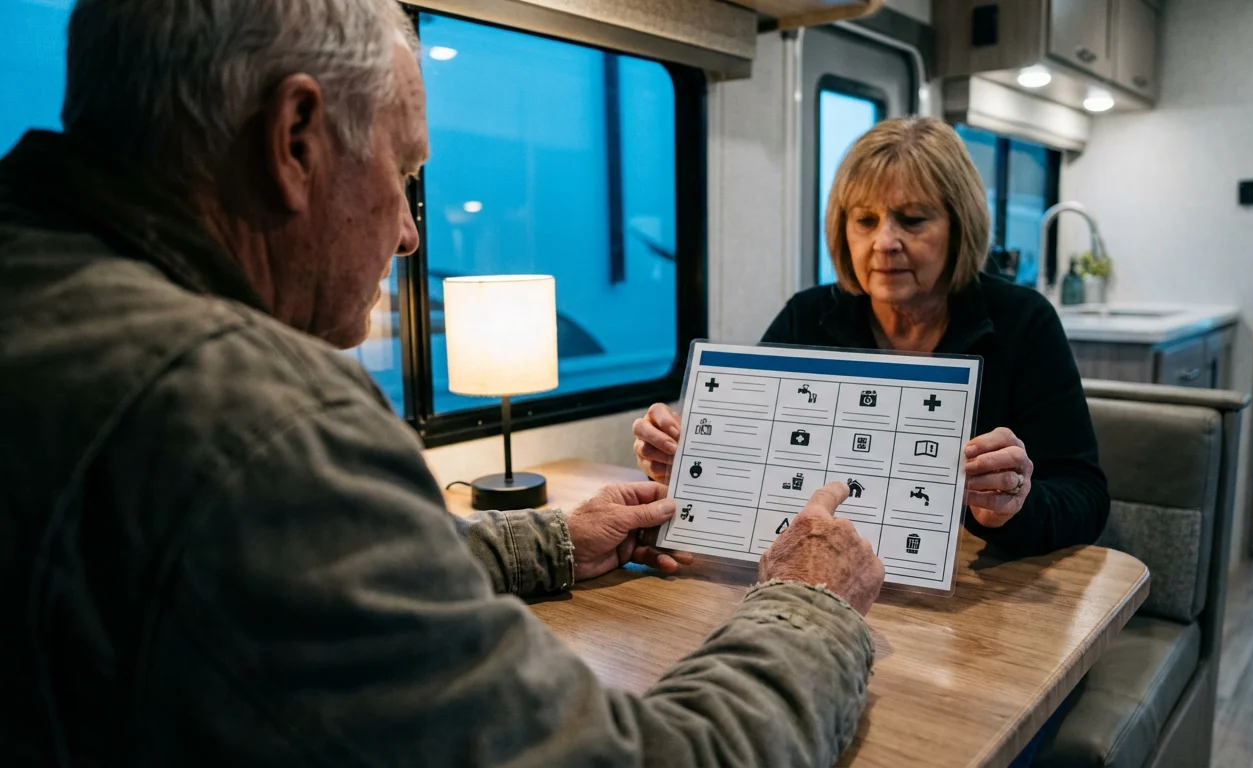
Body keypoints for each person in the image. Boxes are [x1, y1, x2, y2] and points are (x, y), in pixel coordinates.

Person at [0, 0, 886, 763]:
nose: (409, 238)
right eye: (405, 175)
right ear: (294, 140)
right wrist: (806, 604)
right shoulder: (254, 422)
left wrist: (549, 544)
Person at [635, 117, 1110, 558]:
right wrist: (690, 456)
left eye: (913, 219)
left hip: (966, 593)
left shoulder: (1024, 321)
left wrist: (1011, 506)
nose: (884, 241)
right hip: (816, 568)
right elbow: (751, 458)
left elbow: (1085, 497)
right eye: (865, 220)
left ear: (959, 226)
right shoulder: (807, 316)